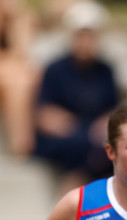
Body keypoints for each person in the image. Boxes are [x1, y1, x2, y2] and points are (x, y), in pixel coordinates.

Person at [31, 0, 119, 193]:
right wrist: (72, 127)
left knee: (107, 149)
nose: (86, 41)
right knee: (80, 147)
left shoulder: (106, 71)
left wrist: (99, 127)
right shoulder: (55, 68)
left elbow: (113, 110)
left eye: (91, 35)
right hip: (65, 138)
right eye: (82, 35)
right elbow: (44, 113)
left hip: (92, 137)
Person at [0, 0, 38, 155]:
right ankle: (21, 142)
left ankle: (22, 142)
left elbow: (22, 53)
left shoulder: (21, 18)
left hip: (11, 70)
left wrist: (17, 19)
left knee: (22, 78)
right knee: (15, 78)